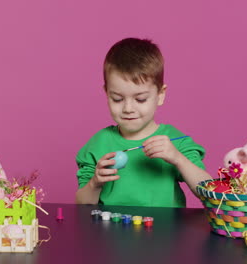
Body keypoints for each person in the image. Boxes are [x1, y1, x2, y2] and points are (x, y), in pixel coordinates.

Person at [75, 37, 211, 207]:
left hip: (165, 232)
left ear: (160, 95)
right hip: (111, 230)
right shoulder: (99, 144)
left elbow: (209, 191)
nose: (128, 108)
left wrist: (178, 159)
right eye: (117, 99)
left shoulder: (174, 141)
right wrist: (95, 183)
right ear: (106, 93)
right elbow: (82, 204)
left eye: (140, 99)